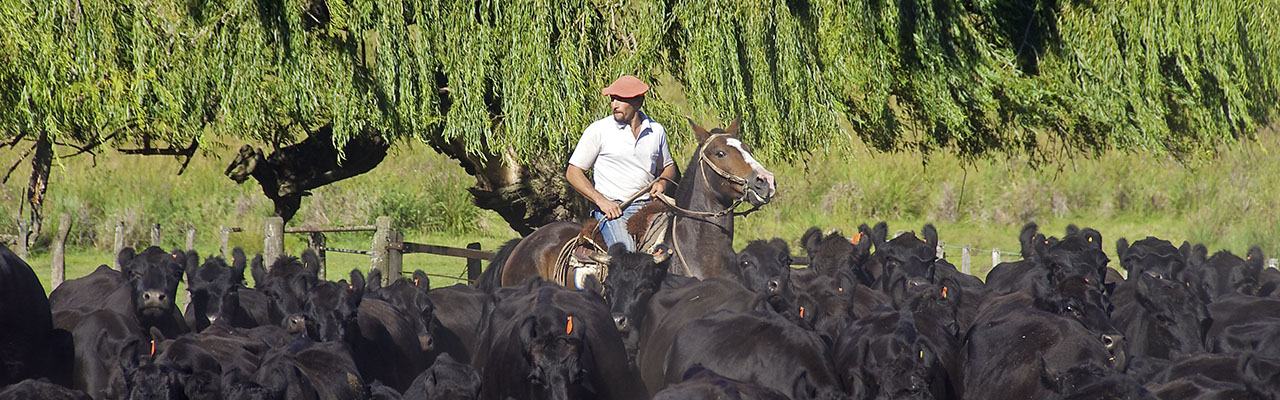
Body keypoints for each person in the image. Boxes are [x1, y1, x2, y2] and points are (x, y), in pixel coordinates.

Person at [566, 75, 677, 253]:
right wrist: (602, 201)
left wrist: (662, 182)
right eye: (612, 99)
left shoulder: (656, 131)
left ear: (638, 101)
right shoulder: (599, 130)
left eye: (621, 99)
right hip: (613, 212)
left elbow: (669, 167)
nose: (614, 104)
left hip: (649, 207)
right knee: (628, 257)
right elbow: (573, 172)